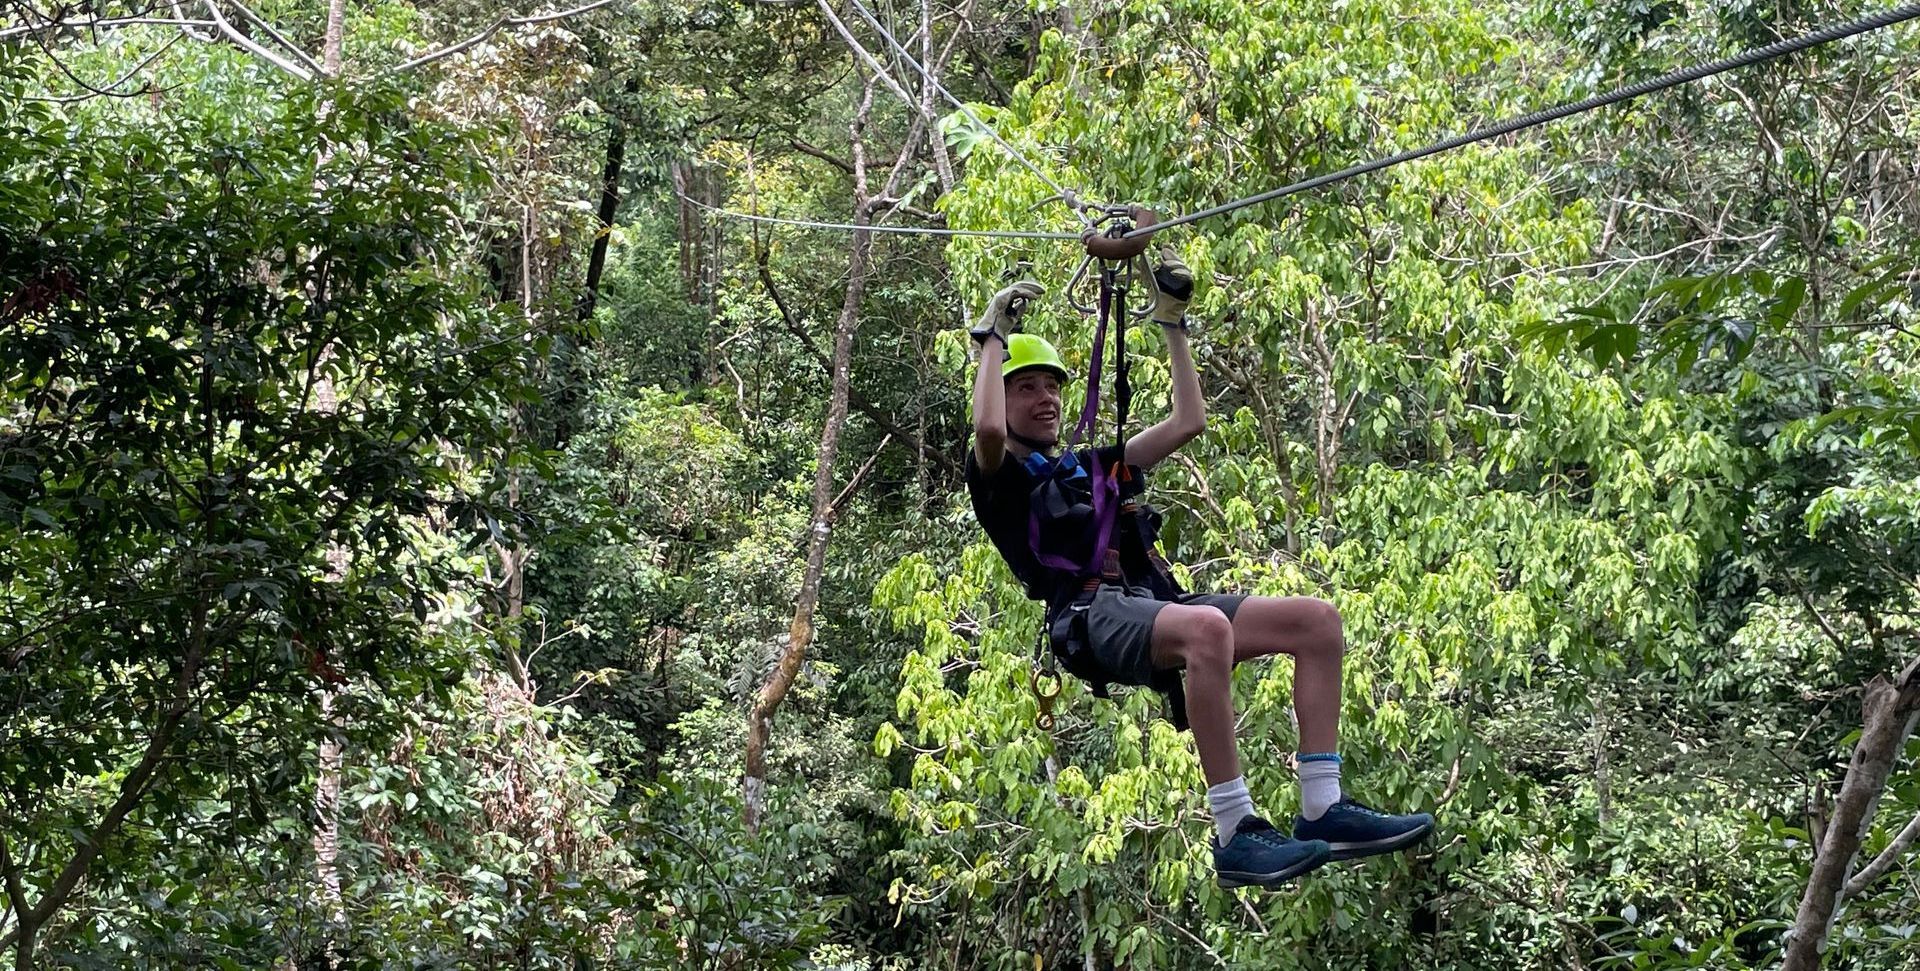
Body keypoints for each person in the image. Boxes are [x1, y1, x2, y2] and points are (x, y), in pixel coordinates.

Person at [963, 250, 1434, 889]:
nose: (1044, 398)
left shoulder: (1091, 466)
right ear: (1004, 394)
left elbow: (1189, 421)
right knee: (1207, 628)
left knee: (1316, 622)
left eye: (1052, 386)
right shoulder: (997, 477)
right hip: (1088, 616)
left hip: (1151, 600)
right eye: (1027, 387)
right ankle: (1236, 829)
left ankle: (1323, 804)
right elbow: (989, 428)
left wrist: (1172, 323)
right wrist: (992, 339)